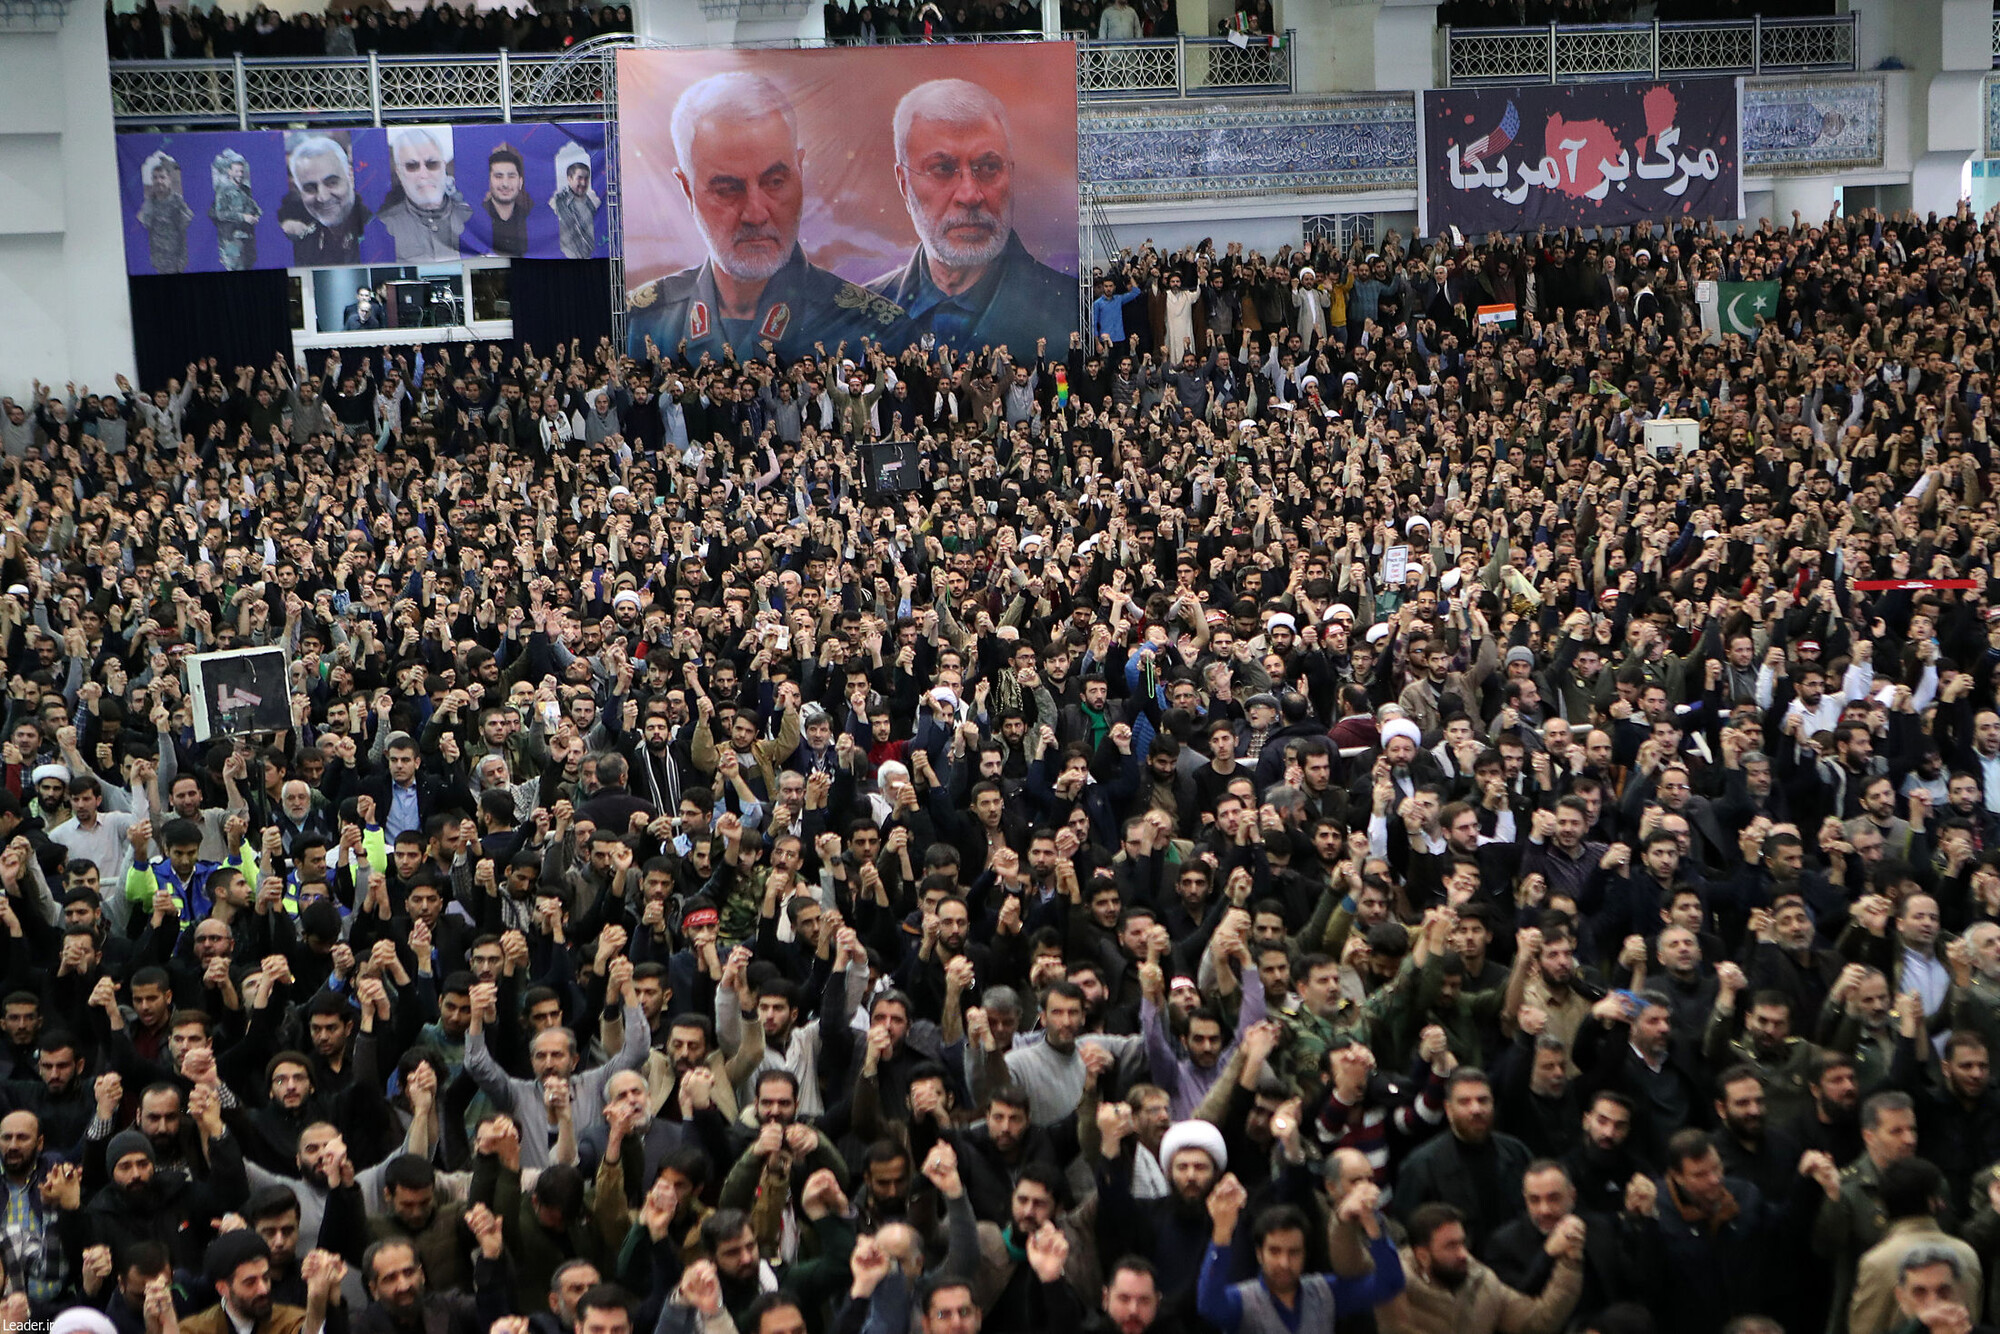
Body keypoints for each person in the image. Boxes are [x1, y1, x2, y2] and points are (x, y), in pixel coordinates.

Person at [624, 71, 901, 362]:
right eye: (727, 190)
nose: (755, 214)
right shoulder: (639, 325)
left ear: (799, 171)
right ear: (687, 190)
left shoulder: (878, 330)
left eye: (775, 182)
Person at [864, 78, 1077, 355]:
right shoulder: (857, 317)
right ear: (904, 183)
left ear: (1010, 175)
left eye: (988, 167)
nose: (970, 195)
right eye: (942, 169)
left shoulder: (1072, 310)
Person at [377, 125, 470, 261]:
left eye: (432, 164)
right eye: (412, 166)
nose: (423, 174)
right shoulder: (384, 227)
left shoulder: (470, 218)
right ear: (399, 173)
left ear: (444, 167)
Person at [279, 135, 371, 266]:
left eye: (332, 182)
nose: (323, 197)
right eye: (310, 188)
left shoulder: (381, 230)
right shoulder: (303, 246)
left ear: (350, 176)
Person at [470, 142, 534, 259]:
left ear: (520, 182)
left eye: (511, 176)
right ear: (488, 181)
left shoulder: (530, 219)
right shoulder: (474, 219)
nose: (505, 184)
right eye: (498, 176)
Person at [136, 151, 193, 275]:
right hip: (155, 263)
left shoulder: (178, 202)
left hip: (176, 262)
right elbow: (142, 224)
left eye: (162, 177)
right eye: (155, 178)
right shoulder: (148, 204)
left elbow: (188, 228)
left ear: (169, 180)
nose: (159, 181)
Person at [209, 149, 261, 271]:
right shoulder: (223, 190)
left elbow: (255, 207)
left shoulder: (245, 190)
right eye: (237, 171)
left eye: (241, 171)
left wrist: (256, 215)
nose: (240, 174)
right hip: (232, 241)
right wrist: (242, 217)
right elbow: (220, 214)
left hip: (247, 239)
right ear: (229, 172)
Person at [551, 143, 600, 260]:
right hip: (565, 259)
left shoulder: (594, 202)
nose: (583, 183)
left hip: (591, 258)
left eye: (586, 178)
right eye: (579, 178)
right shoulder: (557, 203)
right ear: (569, 178)